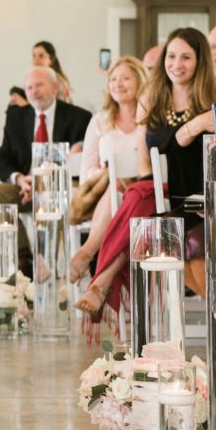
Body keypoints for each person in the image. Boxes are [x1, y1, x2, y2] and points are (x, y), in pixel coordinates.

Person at [75, 28, 216, 332]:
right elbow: (146, 162)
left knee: (141, 206)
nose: (176, 63)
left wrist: (193, 128)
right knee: (143, 200)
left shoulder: (213, 104)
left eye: (186, 57)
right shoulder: (153, 102)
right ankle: (105, 284)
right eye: (171, 56)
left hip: (197, 201)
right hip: (160, 196)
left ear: (200, 62)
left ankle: (100, 276)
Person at [0, 66, 91, 273]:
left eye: (39, 85)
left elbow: (84, 161)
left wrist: (45, 182)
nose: (34, 91)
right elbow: (2, 160)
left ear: (55, 87)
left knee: (66, 194)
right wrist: (20, 180)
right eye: (29, 87)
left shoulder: (79, 117)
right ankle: (24, 257)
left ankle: (49, 260)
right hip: (26, 186)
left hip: (63, 187)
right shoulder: (16, 118)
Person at [68, 58, 147, 277]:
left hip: (141, 196)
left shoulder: (150, 119)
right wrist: (111, 176)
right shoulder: (99, 121)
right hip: (103, 194)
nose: (117, 84)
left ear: (140, 81)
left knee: (125, 189)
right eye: (113, 79)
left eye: (125, 78)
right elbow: (86, 172)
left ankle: (87, 252)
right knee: (118, 186)